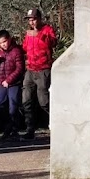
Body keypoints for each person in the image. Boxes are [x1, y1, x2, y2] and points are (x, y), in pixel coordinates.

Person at [21, 8, 56, 139]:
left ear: (39, 18)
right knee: (26, 100)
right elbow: (25, 48)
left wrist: (40, 35)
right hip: (30, 70)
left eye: (34, 19)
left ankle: (56, 124)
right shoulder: (28, 33)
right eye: (30, 19)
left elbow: (53, 42)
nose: (32, 22)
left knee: (44, 101)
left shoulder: (47, 30)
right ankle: (30, 130)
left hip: (43, 70)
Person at [0, 29, 25, 139]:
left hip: (13, 84)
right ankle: (8, 126)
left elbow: (20, 69)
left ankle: (14, 131)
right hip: (2, 84)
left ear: (9, 39)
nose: (3, 45)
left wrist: (9, 80)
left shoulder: (17, 51)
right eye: (1, 43)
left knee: (13, 107)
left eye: (5, 41)